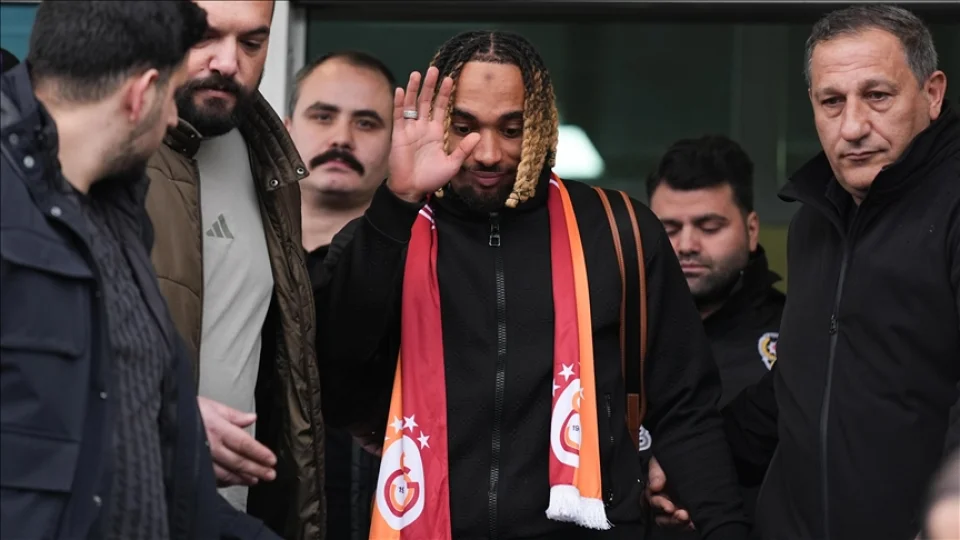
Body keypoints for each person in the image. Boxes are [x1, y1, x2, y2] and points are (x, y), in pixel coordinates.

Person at [321, 30, 751, 540]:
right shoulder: (388, 234)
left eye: (512, 128)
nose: (488, 153)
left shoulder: (618, 231)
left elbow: (687, 410)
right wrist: (398, 202)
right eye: (465, 127)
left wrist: (726, 529)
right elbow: (335, 385)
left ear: (543, 124)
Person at [650, 5, 960, 540]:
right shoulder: (815, 220)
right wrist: (687, 469)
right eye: (832, 101)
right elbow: (797, 385)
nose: (853, 126)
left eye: (877, 96)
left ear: (932, 94)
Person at [145, 1, 429, 537]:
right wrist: (160, 416)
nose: (228, 61)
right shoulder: (119, 152)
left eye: (253, 43)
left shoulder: (260, 167)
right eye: (323, 116)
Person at [0, 2, 277, 539]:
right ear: (142, 94)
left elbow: (163, 478)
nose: (174, 120)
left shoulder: (120, 216)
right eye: (171, 98)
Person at [646, 135, 784, 539]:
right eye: (668, 228)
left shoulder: (799, 332)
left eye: (709, 227)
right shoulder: (608, 337)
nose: (687, 245)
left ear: (752, 230)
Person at [285, 50, 396, 540]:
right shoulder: (237, 256)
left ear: (395, 142)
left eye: (366, 123)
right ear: (287, 128)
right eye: (323, 116)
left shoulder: (429, 263)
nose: (342, 138)